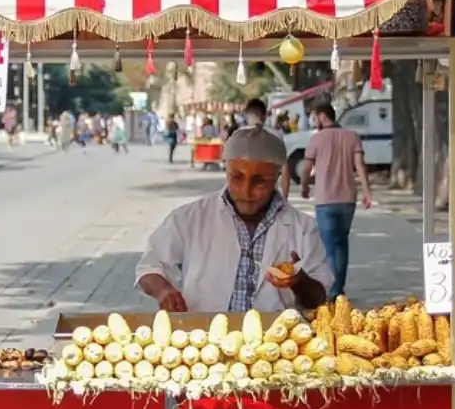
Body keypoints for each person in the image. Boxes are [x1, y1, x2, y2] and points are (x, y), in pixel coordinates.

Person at [136, 126, 333, 313]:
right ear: (226, 170)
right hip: (205, 339)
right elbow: (150, 267)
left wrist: (299, 280)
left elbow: (319, 298)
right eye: (237, 177)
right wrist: (162, 290)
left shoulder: (303, 228)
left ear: (277, 177)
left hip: (272, 342)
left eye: (260, 181)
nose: (246, 191)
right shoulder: (189, 218)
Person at [292, 103, 372, 298]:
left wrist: (304, 186)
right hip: (347, 199)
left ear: (321, 116)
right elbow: (360, 166)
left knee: (329, 246)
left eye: (314, 117)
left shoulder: (317, 139)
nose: (313, 121)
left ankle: (332, 291)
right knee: (341, 244)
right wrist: (367, 192)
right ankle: (339, 288)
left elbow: (305, 167)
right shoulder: (351, 136)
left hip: (325, 200)